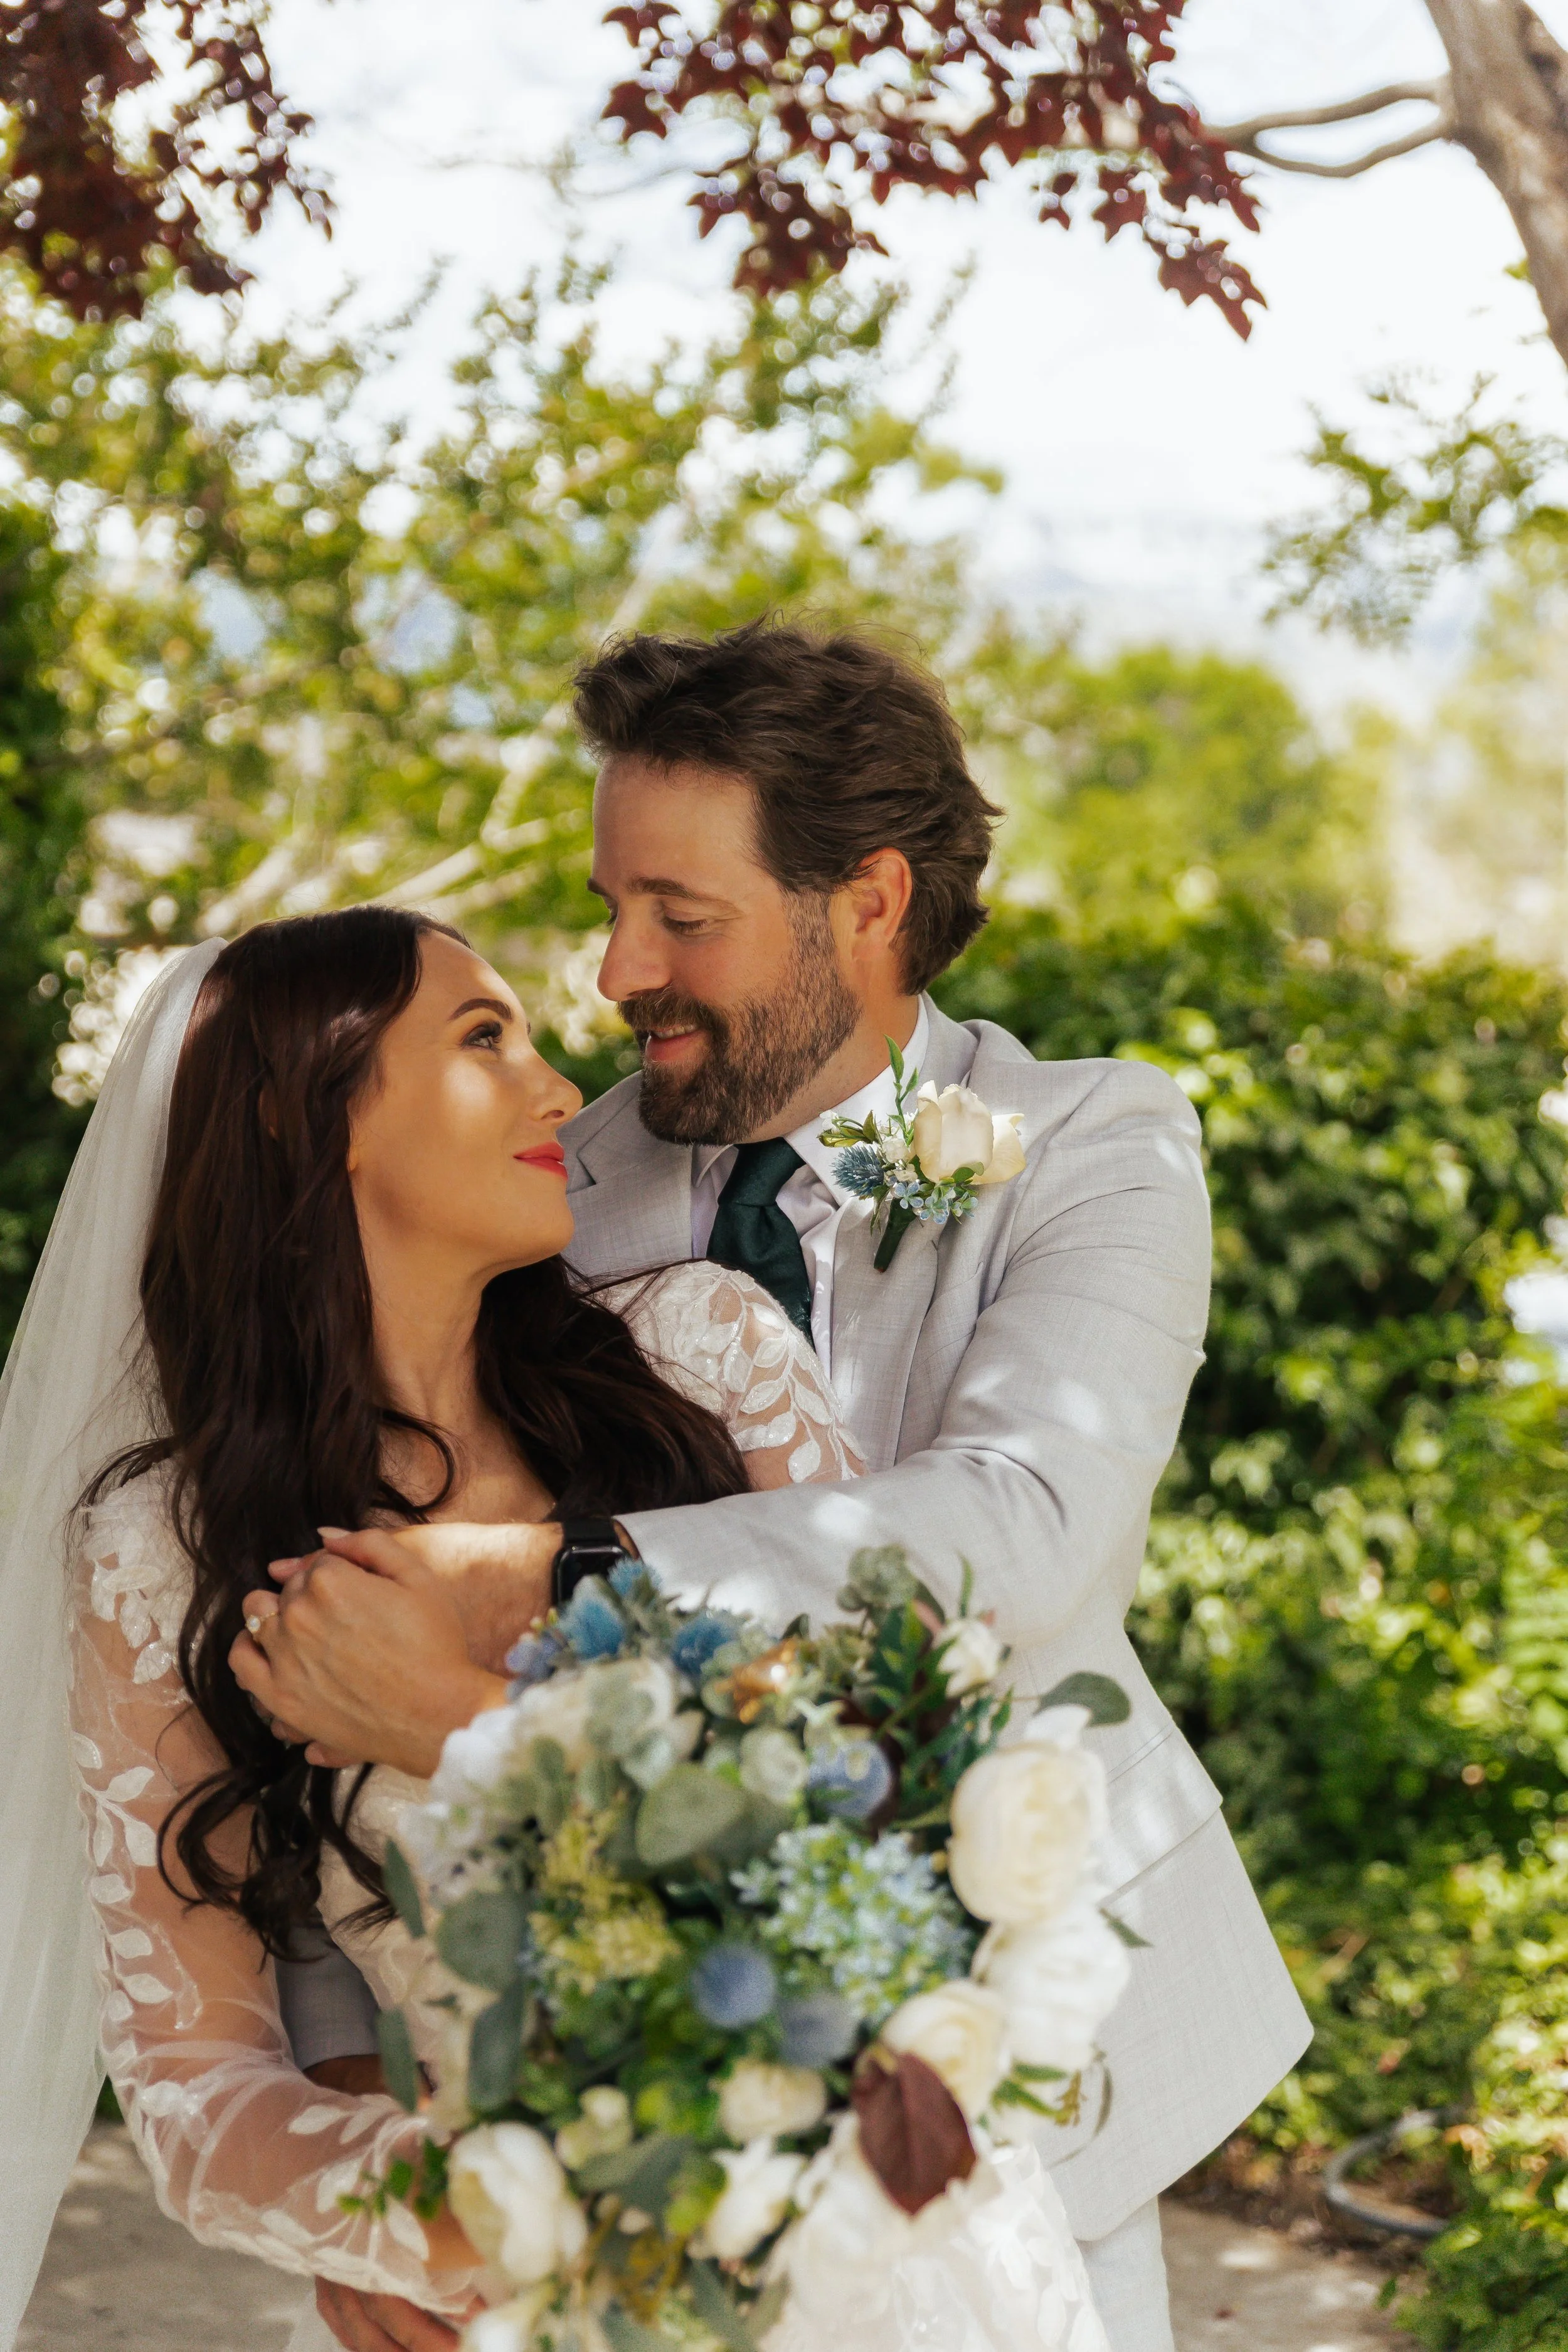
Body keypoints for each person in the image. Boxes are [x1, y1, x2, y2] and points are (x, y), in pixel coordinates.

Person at [245, 620, 1312, 2352]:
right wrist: (361, 2108)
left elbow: (1027, 1531)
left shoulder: (1096, 1143)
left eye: (681, 915)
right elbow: (328, 1607)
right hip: (617, 2077)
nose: (611, 973)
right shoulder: (529, 1179)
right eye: (607, 907)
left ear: (868, 900)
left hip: (1024, 2060)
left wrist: (537, 1570)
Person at [0, 907, 867, 2351]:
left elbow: (885, 1801)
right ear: (311, 1114)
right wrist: (423, 2217)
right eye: (484, 1040)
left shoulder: (706, 1358)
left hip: (841, 2225)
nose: (555, 1090)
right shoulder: (162, 1552)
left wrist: (447, 1717)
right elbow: (193, 2079)